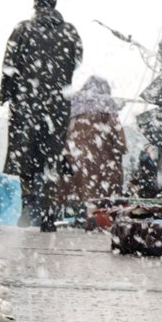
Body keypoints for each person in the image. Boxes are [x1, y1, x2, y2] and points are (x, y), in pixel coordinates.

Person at [0, 0, 83, 231]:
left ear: (36, 7)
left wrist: (7, 94)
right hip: (56, 106)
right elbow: (76, 60)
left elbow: (9, 64)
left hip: (27, 105)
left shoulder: (23, 29)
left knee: (25, 158)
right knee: (50, 160)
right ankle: (47, 215)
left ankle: (26, 210)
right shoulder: (69, 32)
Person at [57, 76, 127, 218]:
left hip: (77, 159)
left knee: (84, 190)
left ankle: (83, 216)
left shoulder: (75, 106)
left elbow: (67, 134)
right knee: (100, 193)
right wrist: (119, 148)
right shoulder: (107, 106)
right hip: (103, 159)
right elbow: (119, 139)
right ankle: (96, 219)